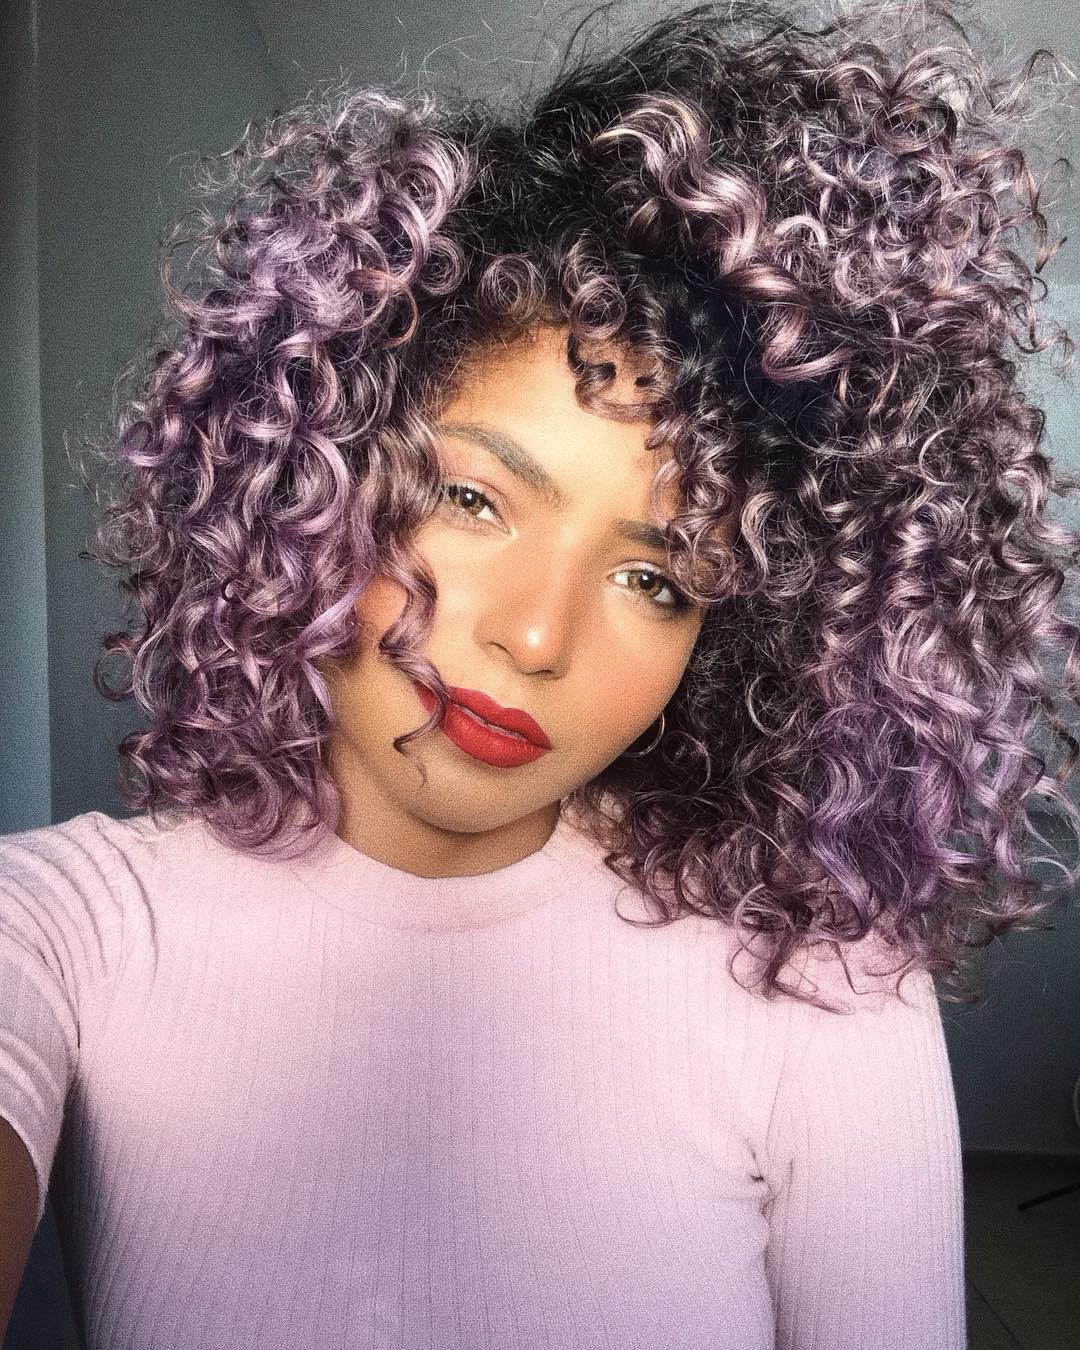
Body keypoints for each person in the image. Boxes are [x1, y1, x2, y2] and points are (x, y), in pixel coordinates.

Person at [3, 0, 1079, 1345]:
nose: (535, 637)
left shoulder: (826, 979)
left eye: (657, 578)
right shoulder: (67, 930)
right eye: (473, 497)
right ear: (314, 471)